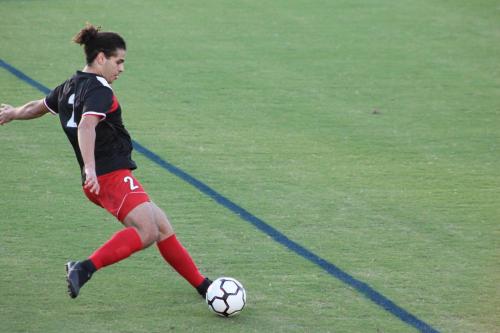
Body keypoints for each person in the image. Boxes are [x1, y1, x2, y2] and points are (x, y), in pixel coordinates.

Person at [0, 24, 212, 299]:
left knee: (161, 226)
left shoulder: (69, 86)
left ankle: (203, 286)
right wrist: (90, 167)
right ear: (101, 58)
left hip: (102, 178)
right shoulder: (101, 91)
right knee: (146, 230)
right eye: (118, 61)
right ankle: (84, 268)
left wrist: (14, 112)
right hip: (108, 176)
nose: (121, 68)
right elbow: (87, 126)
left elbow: (38, 106)